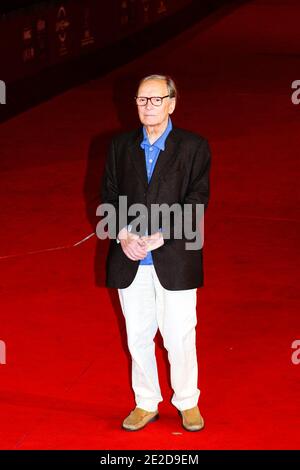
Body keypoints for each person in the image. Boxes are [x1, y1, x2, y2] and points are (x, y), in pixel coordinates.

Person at [100, 74, 211, 431]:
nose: (148, 106)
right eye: (141, 100)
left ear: (172, 102)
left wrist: (165, 234)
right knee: (137, 335)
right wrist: (121, 235)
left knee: (179, 335)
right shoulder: (119, 146)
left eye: (155, 99)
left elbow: (198, 200)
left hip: (175, 255)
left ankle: (187, 400)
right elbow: (109, 195)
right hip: (131, 257)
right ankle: (146, 401)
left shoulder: (194, 147)